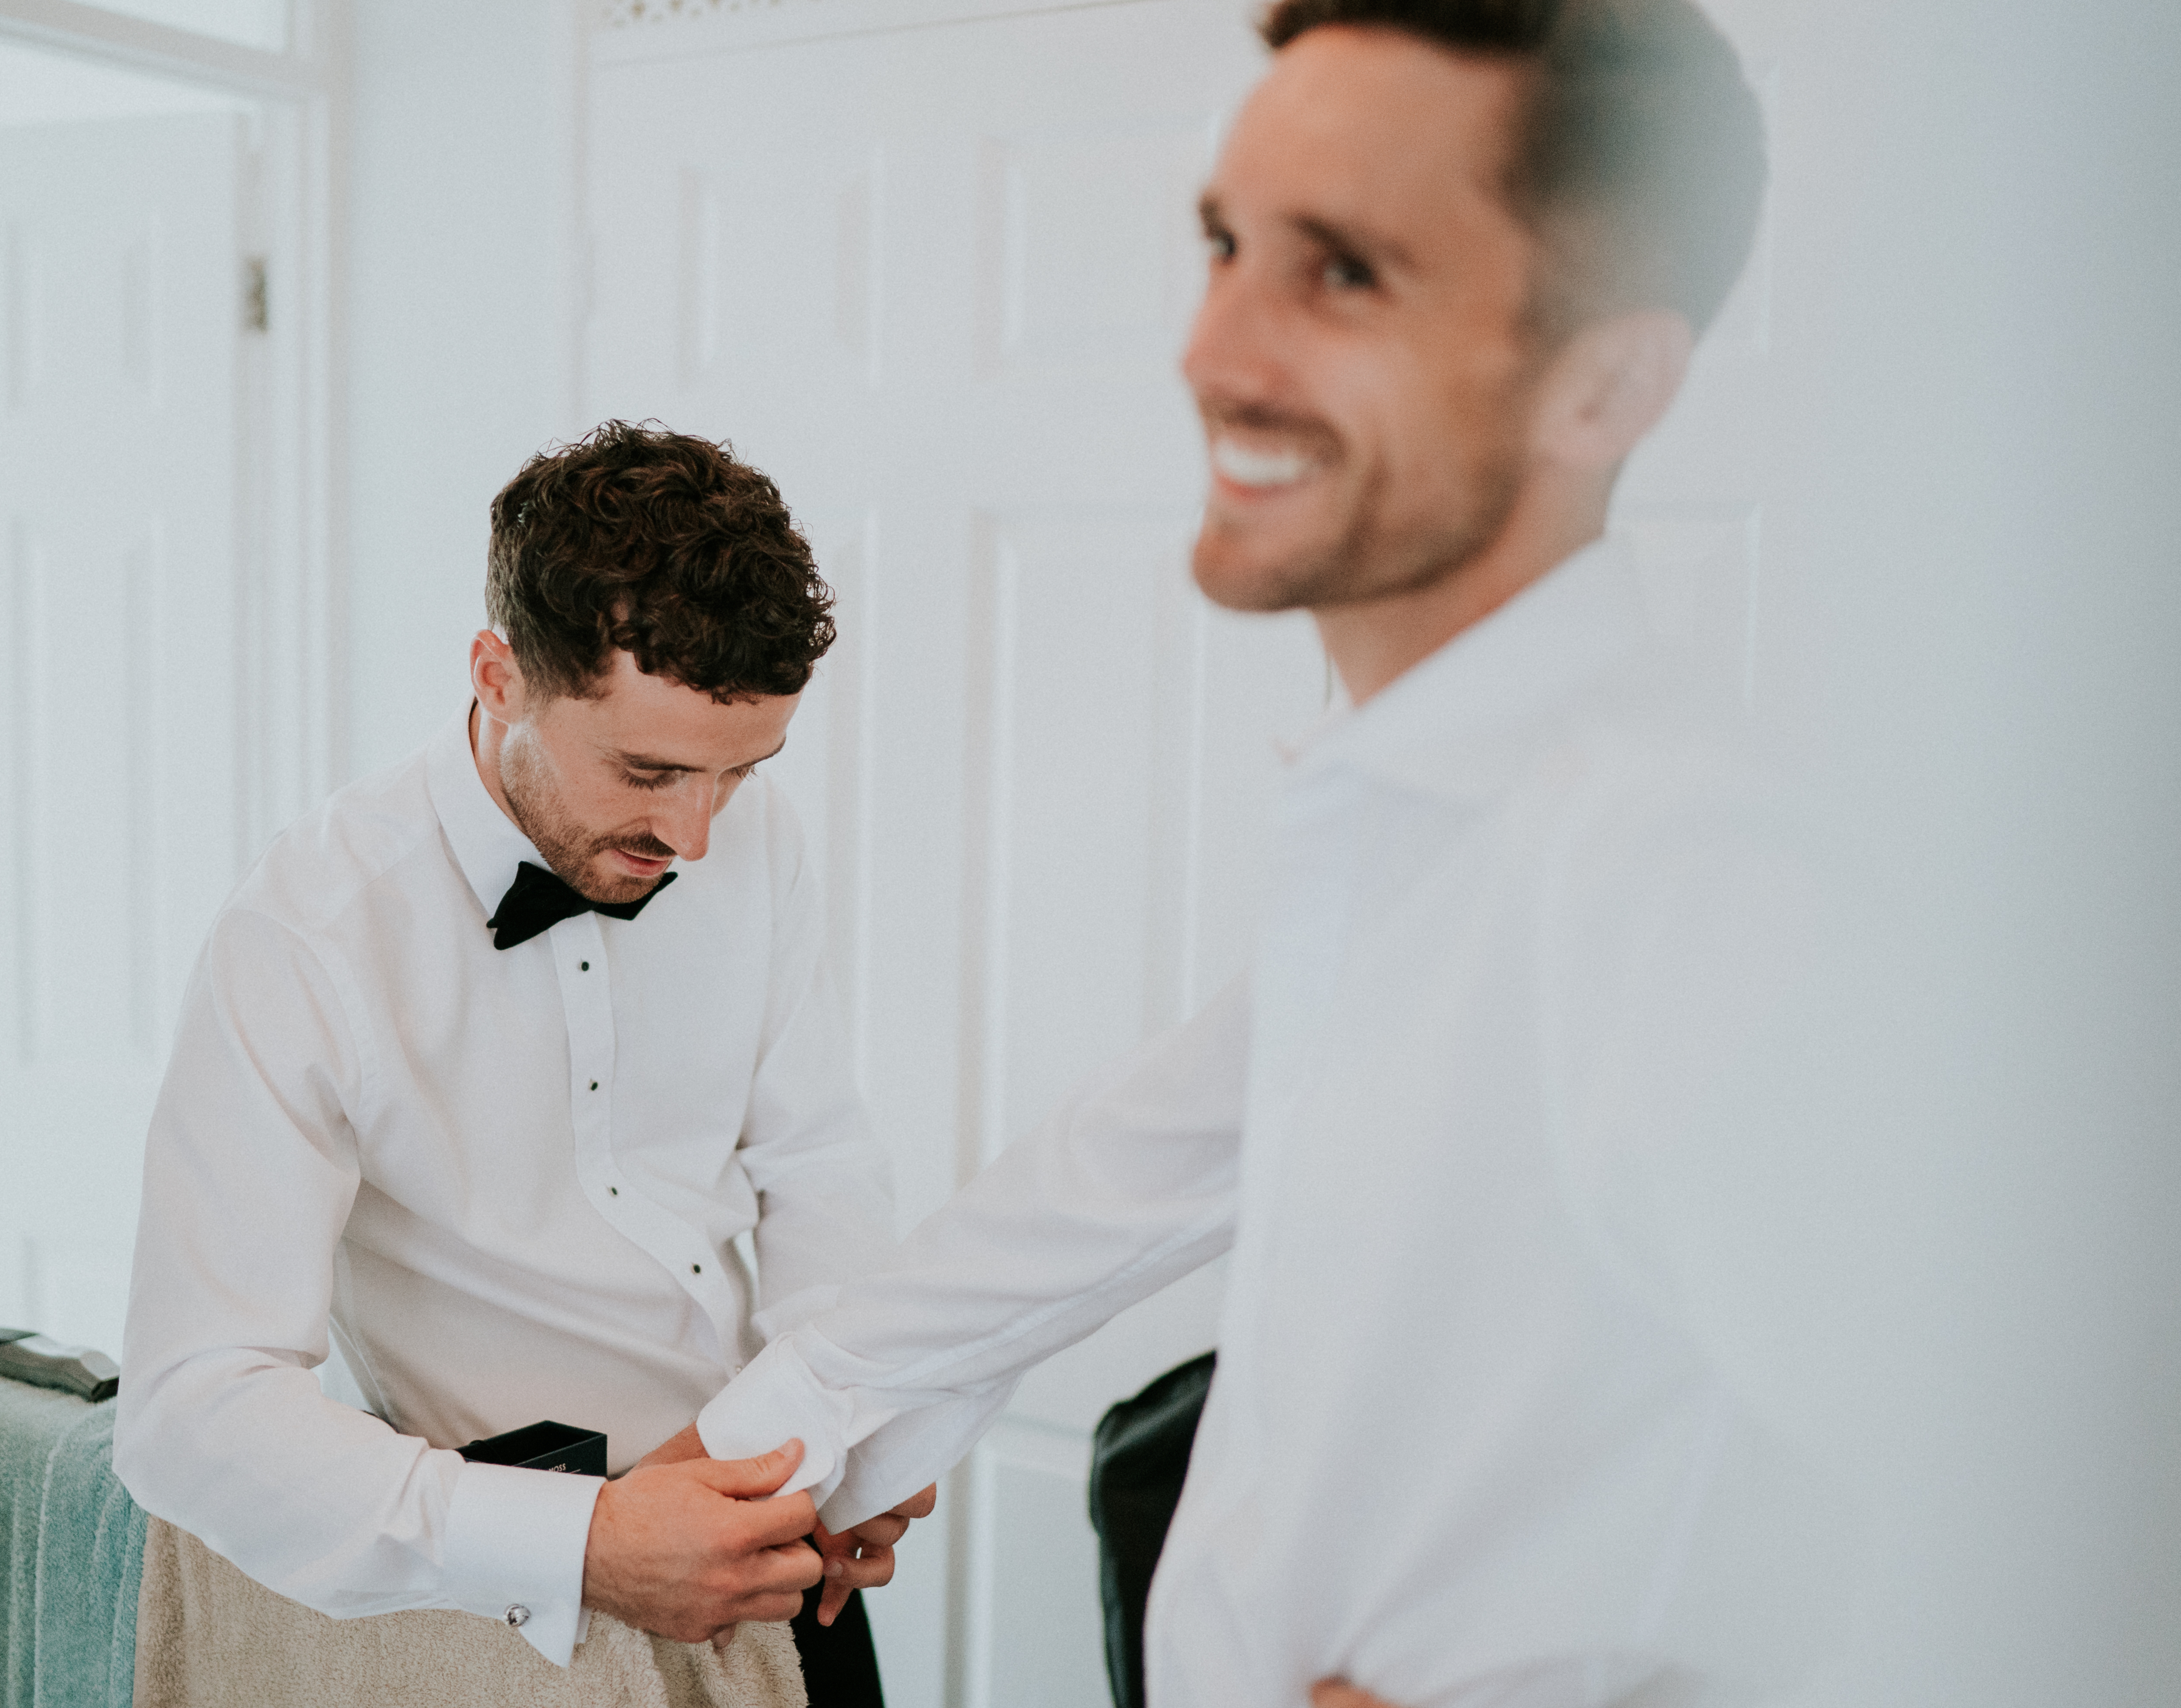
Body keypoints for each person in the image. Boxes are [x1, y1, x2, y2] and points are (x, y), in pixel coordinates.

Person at [691, 3, 1841, 1705]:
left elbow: (2041, 1522)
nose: (1214, 351)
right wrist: (765, 1462)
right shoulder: (1403, 827)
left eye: (1344, 273)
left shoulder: (1679, 873)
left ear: (1607, 381)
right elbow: (1107, 1185)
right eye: (1226, 246)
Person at [114, 422, 933, 1705]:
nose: (698, 837)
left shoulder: (748, 842)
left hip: (774, 1557)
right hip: (483, 1610)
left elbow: (818, 1161)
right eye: (649, 772)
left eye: (740, 773)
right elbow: (189, 1410)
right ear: (499, 676)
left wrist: (842, 1433)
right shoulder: (308, 938)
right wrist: (588, 1545)